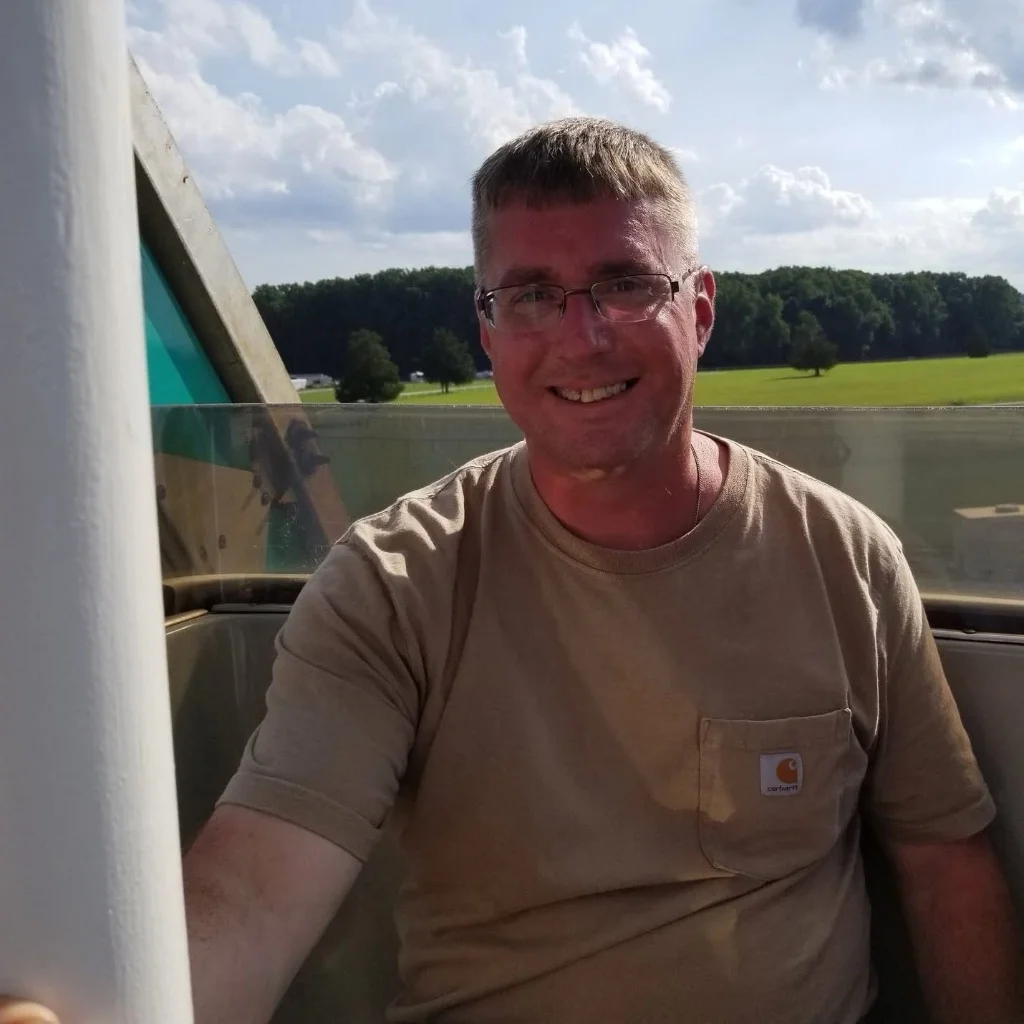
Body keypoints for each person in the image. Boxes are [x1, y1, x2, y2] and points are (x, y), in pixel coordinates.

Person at [182, 118, 1023, 1024]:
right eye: (532, 295)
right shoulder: (391, 585)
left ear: (699, 309)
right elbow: (253, 892)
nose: (581, 338)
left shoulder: (845, 556)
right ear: (488, 330)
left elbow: (944, 866)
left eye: (623, 286)